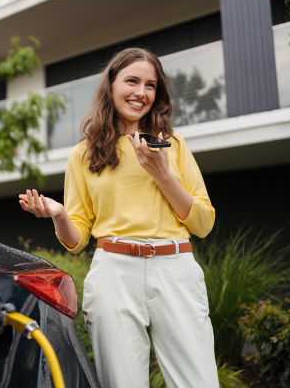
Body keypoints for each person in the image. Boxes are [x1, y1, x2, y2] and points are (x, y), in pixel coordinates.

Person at [18, 47, 218, 387]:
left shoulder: (173, 145)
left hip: (176, 268)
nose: (141, 93)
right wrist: (60, 214)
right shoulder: (83, 154)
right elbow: (76, 240)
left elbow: (203, 223)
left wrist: (163, 174)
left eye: (150, 85)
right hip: (114, 273)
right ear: (110, 86)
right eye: (132, 81)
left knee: (198, 381)